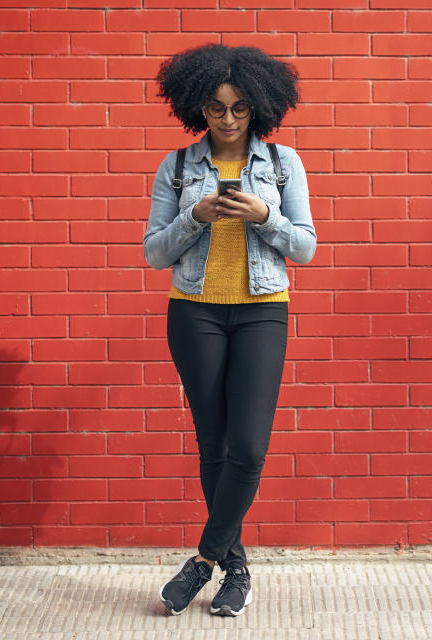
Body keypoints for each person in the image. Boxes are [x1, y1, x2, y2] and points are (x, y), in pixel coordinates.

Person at [143, 44, 316, 617]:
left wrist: (265, 217)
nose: (228, 119)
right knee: (213, 444)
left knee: (248, 447)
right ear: (199, 107)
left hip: (262, 310)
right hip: (194, 312)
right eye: (216, 108)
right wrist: (194, 217)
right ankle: (236, 569)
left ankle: (203, 560)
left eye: (240, 108)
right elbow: (153, 252)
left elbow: (307, 248)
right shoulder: (176, 167)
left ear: (259, 107)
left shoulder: (284, 163)